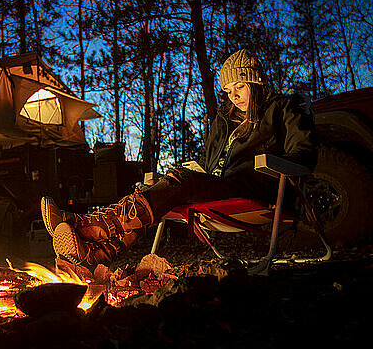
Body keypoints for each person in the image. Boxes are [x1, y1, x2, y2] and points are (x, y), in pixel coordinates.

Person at [41, 49, 318, 268]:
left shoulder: (282, 108)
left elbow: (304, 152)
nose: (234, 96)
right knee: (163, 186)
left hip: (256, 187)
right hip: (220, 187)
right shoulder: (225, 120)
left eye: (240, 86)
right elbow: (208, 164)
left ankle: (87, 226)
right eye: (228, 90)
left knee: (179, 181)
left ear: (255, 82)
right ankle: (98, 252)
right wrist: (172, 177)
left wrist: (272, 166)